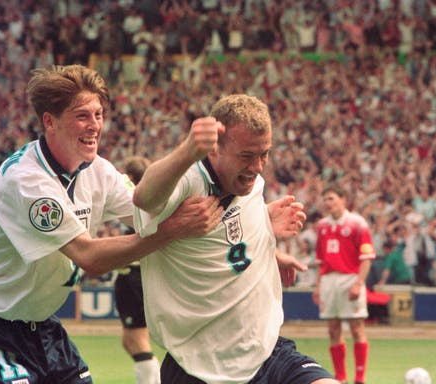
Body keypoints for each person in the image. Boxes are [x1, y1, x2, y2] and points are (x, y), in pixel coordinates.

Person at [0, 64, 222, 384]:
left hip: (42, 327)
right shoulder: (25, 181)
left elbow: (152, 213)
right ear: (50, 121)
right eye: (82, 116)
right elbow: (89, 256)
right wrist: (171, 231)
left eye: (99, 114)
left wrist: (256, 218)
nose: (95, 126)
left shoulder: (98, 171)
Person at [132, 94, 337, 383]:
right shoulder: (189, 181)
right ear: (214, 148)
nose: (257, 166)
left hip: (268, 355)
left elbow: (227, 237)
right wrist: (187, 150)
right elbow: (145, 197)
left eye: (264, 154)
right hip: (199, 366)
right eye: (246, 156)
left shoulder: (251, 186)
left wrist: (268, 240)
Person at [313, 185, 376, 384]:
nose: (327, 203)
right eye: (325, 199)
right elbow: (321, 260)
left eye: (331, 198)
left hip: (350, 278)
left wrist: (359, 283)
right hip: (329, 281)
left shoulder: (357, 223)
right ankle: (340, 377)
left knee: (357, 328)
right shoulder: (322, 226)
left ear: (343, 199)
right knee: (333, 329)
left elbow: (366, 257)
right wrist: (318, 285)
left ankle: (359, 378)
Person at [114, 156, 160, 384]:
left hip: (133, 276)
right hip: (141, 275)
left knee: (136, 339)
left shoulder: (133, 200)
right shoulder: (153, 201)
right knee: (131, 340)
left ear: (130, 178)